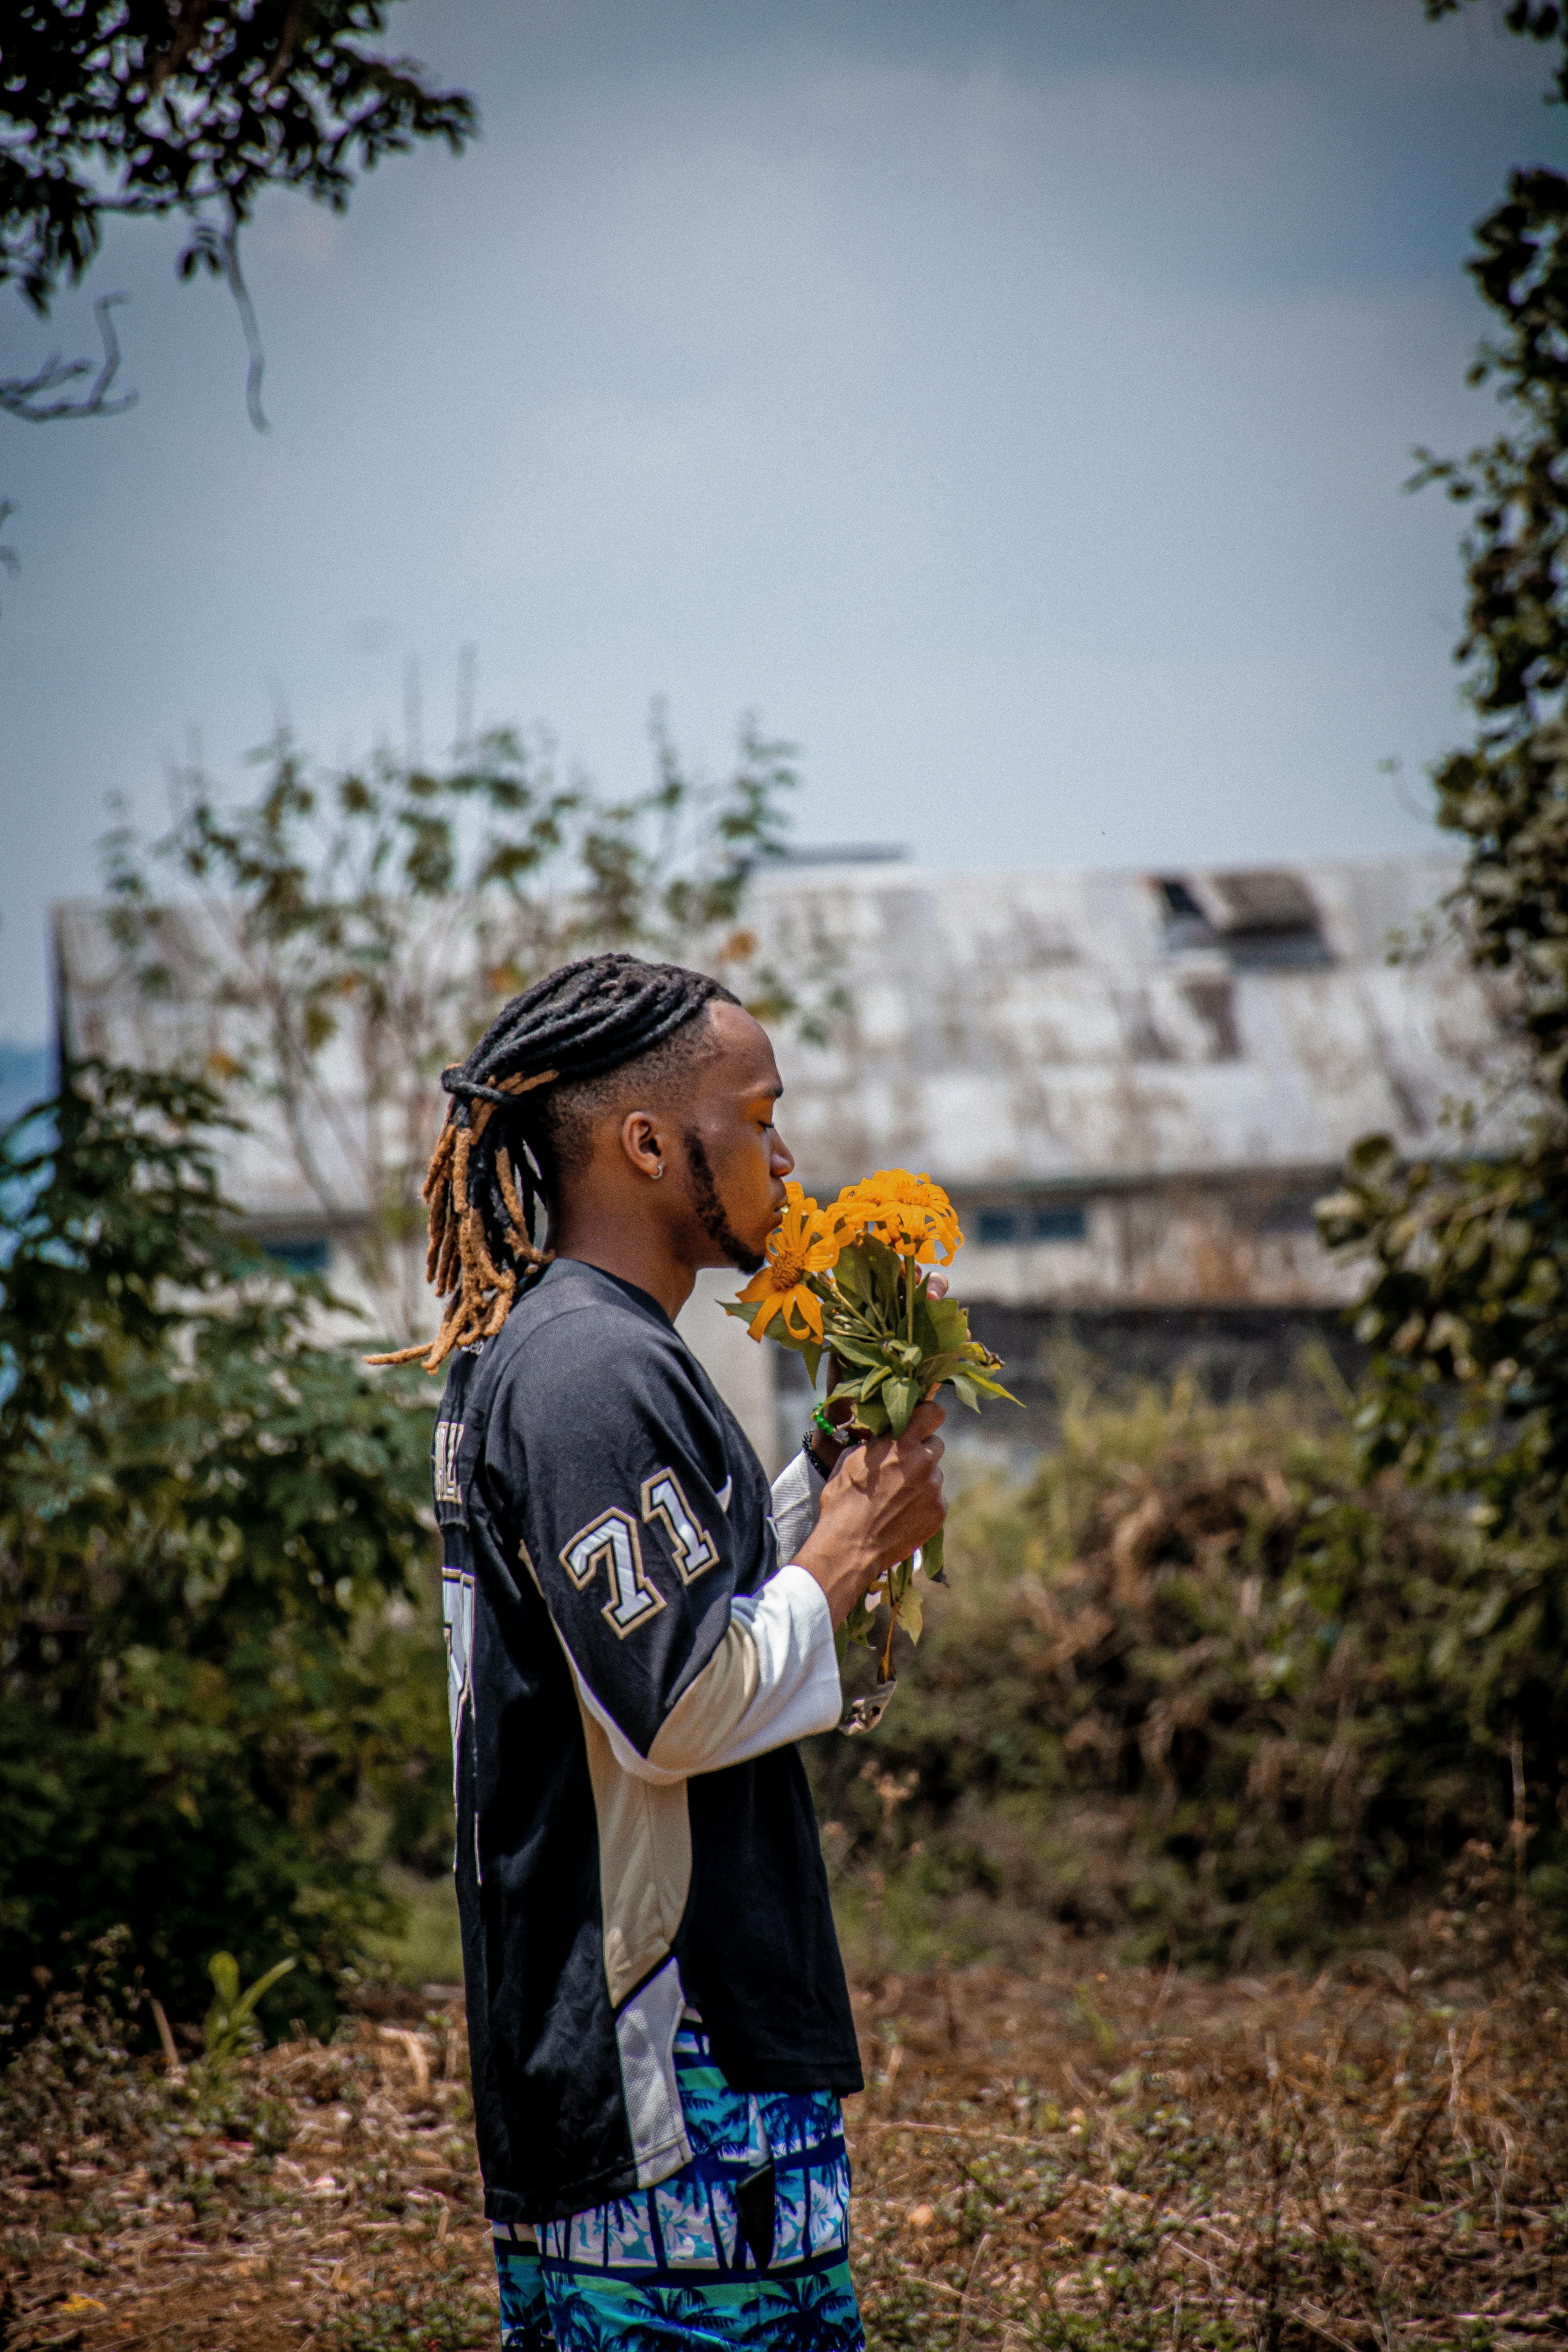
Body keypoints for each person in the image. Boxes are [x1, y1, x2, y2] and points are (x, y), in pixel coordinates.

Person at [373, 952, 947, 2352]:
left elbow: (684, 1614)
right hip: (672, 2096)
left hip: (683, 2088)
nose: (785, 1152)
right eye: (757, 1117)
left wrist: (829, 1490)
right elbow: (683, 1702)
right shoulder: (591, 1372)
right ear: (646, 1143)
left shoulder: (578, 1351)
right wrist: (847, 1556)